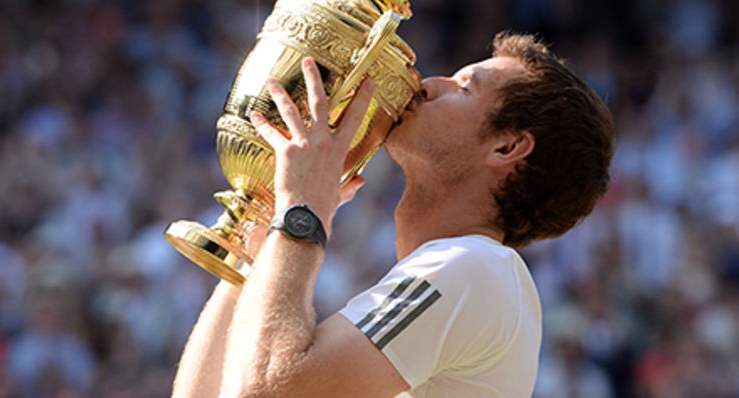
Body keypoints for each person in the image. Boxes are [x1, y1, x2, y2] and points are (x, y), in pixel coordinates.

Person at [171, 32, 614, 397]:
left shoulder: (477, 268)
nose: (427, 85)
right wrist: (261, 245)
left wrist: (302, 212)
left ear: (507, 147)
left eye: (464, 88)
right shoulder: (466, 274)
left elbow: (266, 392)